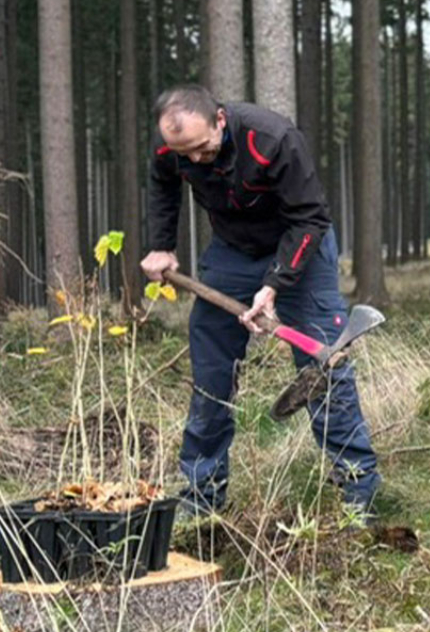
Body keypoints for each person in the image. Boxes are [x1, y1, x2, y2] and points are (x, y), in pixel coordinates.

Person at [141, 84, 380, 521]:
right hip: (232, 252)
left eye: (202, 148)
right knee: (211, 373)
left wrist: (273, 285)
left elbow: (310, 217)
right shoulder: (171, 145)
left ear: (219, 119)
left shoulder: (272, 138)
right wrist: (161, 245)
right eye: (184, 153)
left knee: (324, 367)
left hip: (299, 250)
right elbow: (162, 186)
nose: (194, 159)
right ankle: (202, 495)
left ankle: (358, 491)